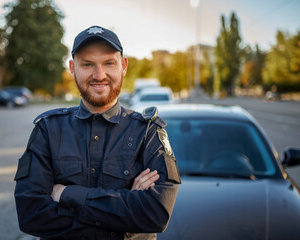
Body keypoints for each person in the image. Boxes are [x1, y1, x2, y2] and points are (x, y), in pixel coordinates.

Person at [14, 25, 181, 240]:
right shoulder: (48, 129)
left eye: (109, 63)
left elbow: (155, 215)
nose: (99, 75)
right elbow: (31, 214)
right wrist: (125, 212)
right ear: (73, 68)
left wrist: (65, 194)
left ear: (124, 66)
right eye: (87, 64)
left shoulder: (148, 132)